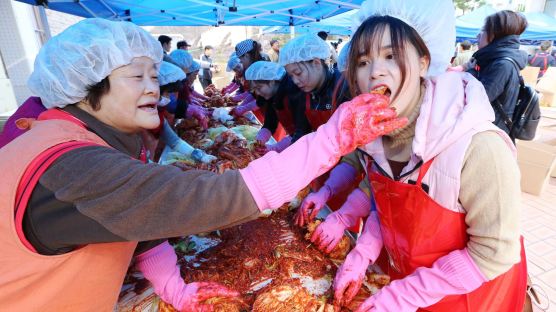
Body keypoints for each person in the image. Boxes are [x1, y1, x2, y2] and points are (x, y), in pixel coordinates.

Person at [0, 18, 406, 310]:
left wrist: (173, 288)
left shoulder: (85, 141)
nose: (154, 88)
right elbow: (200, 200)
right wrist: (330, 139)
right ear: (85, 87)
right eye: (136, 77)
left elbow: (140, 223)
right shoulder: (69, 163)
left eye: (154, 75)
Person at [303, 1, 527, 311]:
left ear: (424, 62)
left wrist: (401, 296)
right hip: (416, 285)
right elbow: (392, 209)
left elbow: (494, 252)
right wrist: (362, 252)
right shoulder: (376, 137)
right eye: (364, 60)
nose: (375, 72)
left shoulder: (478, 147)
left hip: (473, 297)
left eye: (390, 56)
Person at [465, 10, 528, 137]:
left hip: (489, 135)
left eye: (482, 30)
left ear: (493, 35)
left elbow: (478, 100)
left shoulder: (502, 65)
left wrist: (470, 72)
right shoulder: (496, 61)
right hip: (487, 130)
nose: (478, 35)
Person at [244, 61, 310, 153]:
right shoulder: (273, 94)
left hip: (307, 143)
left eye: (258, 88)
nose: (257, 93)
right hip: (294, 138)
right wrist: (260, 139)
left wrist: (276, 148)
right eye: (254, 90)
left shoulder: (294, 93)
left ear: (271, 81)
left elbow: (303, 130)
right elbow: (270, 122)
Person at [168, 49, 209, 128]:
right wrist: (190, 109)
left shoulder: (180, 79)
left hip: (172, 118)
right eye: (186, 69)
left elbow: (189, 94)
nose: (186, 71)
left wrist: (199, 102)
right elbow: (170, 104)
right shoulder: (169, 80)